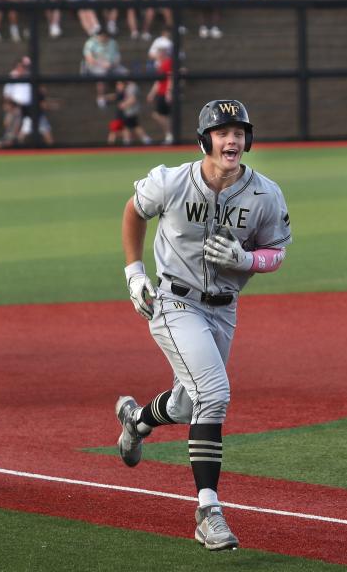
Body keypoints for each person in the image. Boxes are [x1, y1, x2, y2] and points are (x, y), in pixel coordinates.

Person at [117, 99, 291, 552]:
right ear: (205, 140)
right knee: (213, 395)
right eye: (222, 132)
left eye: (238, 132)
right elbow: (134, 211)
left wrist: (248, 259)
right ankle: (208, 513)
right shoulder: (171, 182)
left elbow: (277, 251)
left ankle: (135, 420)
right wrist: (134, 273)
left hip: (224, 309)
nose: (231, 139)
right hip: (173, 302)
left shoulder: (264, 194)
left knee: (183, 403)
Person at [82, 28, 123, 108]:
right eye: (102, 36)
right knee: (101, 74)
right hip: (94, 66)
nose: (104, 38)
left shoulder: (113, 42)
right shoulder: (90, 43)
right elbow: (89, 59)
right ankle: (100, 98)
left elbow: (118, 57)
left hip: (112, 65)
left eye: (106, 36)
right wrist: (102, 64)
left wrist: (112, 64)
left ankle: (120, 95)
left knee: (125, 74)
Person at [107, 79, 151, 144]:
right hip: (125, 113)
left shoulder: (131, 87)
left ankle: (143, 140)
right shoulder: (123, 90)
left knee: (130, 127)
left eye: (119, 84)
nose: (117, 86)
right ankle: (132, 140)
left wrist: (124, 104)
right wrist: (106, 97)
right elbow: (115, 96)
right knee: (131, 127)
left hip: (129, 112)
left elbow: (133, 99)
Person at [147, 45, 173, 143]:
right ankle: (169, 134)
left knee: (159, 114)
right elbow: (158, 82)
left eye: (158, 54)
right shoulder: (161, 65)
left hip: (164, 93)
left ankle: (169, 134)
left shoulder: (168, 63)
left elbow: (171, 78)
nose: (157, 56)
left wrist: (169, 92)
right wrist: (152, 94)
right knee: (161, 115)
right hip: (160, 93)